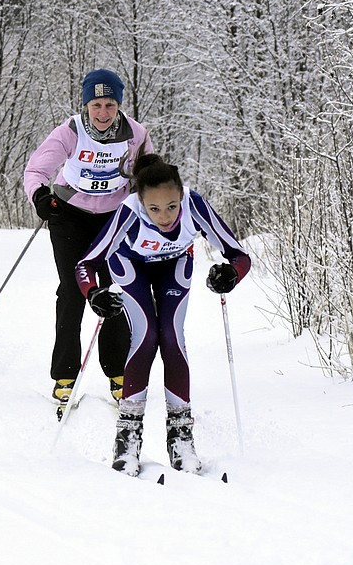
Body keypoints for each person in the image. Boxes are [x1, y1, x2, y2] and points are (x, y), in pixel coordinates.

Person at [75, 153, 251, 475]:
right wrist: (94, 293)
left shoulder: (195, 206)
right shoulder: (128, 212)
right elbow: (86, 264)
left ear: (181, 195)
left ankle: (181, 436)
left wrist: (231, 274)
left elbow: (239, 256)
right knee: (146, 337)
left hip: (174, 265)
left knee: (171, 337)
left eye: (172, 206)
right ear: (141, 201)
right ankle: (127, 437)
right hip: (130, 266)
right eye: (154, 209)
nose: (165, 216)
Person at [23, 69, 154, 413]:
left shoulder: (136, 134)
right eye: (96, 104)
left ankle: (117, 373)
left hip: (114, 218)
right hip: (70, 215)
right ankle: (64, 375)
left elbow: (149, 175)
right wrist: (39, 197)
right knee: (72, 289)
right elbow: (35, 171)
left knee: (115, 290)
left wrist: (149, 198)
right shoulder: (70, 131)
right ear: (86, 104)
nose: (103, 113)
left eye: (110, 104)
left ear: (119, 105)